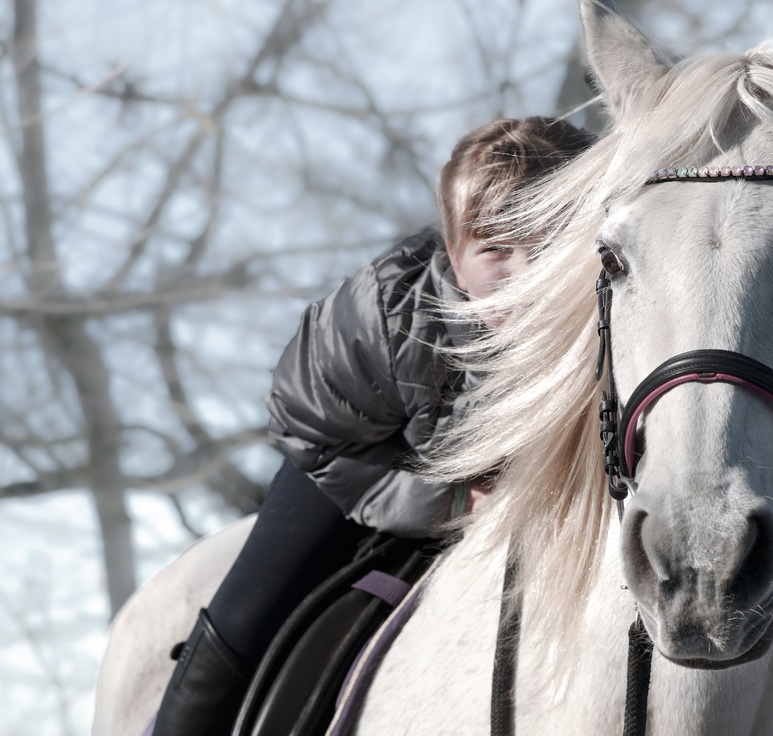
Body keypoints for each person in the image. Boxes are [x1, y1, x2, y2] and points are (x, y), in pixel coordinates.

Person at [150, 116, 595, 736]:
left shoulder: (628, 313)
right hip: (365, 459)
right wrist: (450, 497)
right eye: (495, 247)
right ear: (453, 252)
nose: (526, 274)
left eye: (552, 241)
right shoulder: (384, 316)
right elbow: (313, 433)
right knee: (246, 616)